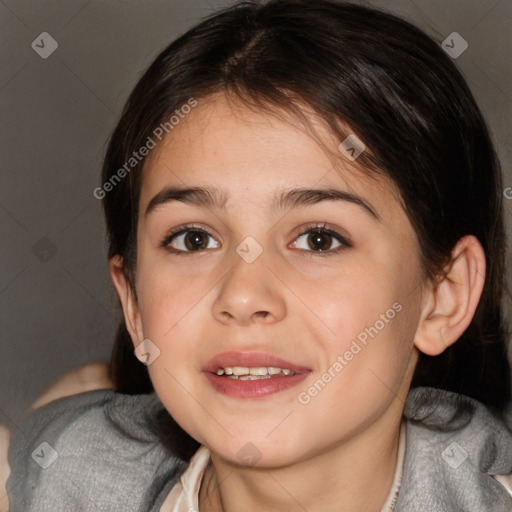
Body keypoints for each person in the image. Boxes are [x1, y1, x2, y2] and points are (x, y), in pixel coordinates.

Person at [6, 0, 512, 510]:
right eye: (193, 239)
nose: (244, 297)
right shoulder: (51, 476)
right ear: (134, 303)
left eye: (319, 238)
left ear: (443, 295)